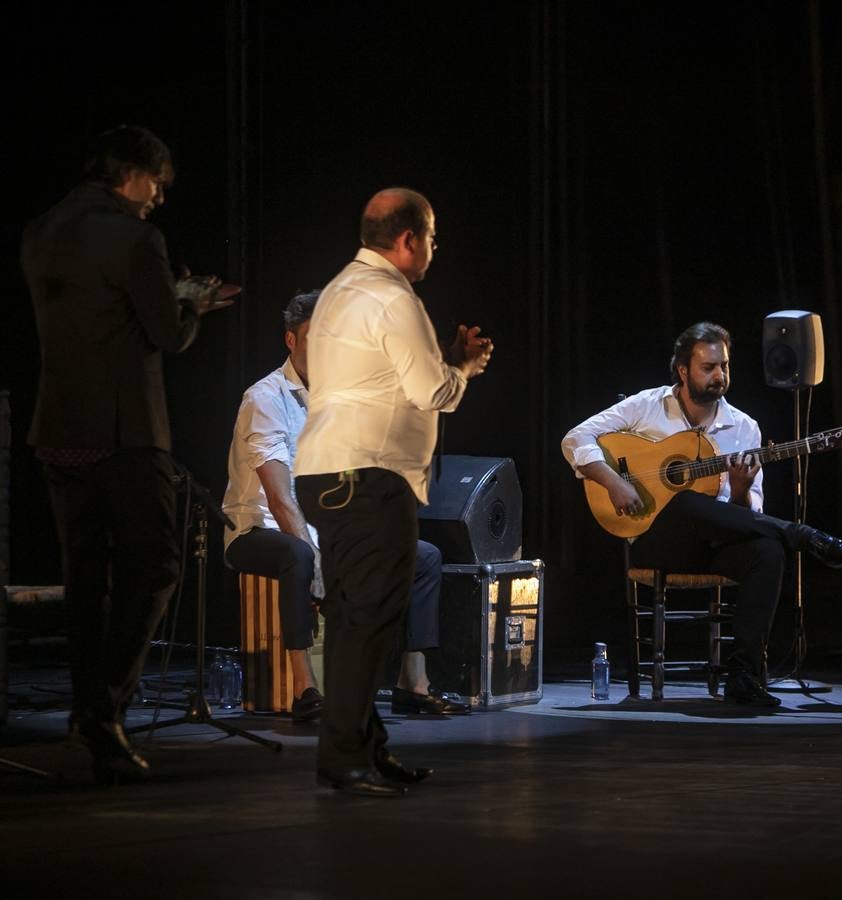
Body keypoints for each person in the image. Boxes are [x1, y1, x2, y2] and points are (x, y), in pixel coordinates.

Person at [21, 125, 236, 783]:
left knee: (86, 580)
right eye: (156, 185)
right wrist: (192, 303)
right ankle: (104, 707)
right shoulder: (137, 237)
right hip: (124, 433)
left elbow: (96, 315)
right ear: (130, 174)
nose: (159, 200)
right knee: (155, 566)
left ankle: (92, 710)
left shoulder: (39, 230)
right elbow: (166, 336)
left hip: (57, 429)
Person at [293, 188, 492, 797]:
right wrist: (463, 369)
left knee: (364, 621)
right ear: (407, 240)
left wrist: (444, 360)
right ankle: (344, 759)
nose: (435, 247)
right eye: (431, 235)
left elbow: (384, 376)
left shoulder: (339, 292)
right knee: (367, 621)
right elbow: (432, 392)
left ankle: (364, 749)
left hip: (328, 473)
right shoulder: (392, 296)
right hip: (369, 477)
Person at [561, 321, 842, 708]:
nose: (719, 376)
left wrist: (737, 489)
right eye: (709, 367)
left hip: (712, 545)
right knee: (683, 502)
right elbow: (575, 437)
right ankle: (799, 533)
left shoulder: (744, 427)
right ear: (683, 370)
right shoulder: (646, 406)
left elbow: (745, 516)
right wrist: (615, 483)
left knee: (767, 550)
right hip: (656, 542)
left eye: (725, 367)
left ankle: (744, 677)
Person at [222, 290, 466, 724]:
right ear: (292, 341)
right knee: (297, 555)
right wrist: (319, 560)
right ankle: (305, 689)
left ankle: (414, 684)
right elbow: (278, 498)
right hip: (256, 529)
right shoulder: (265, 398)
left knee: (423, 555)